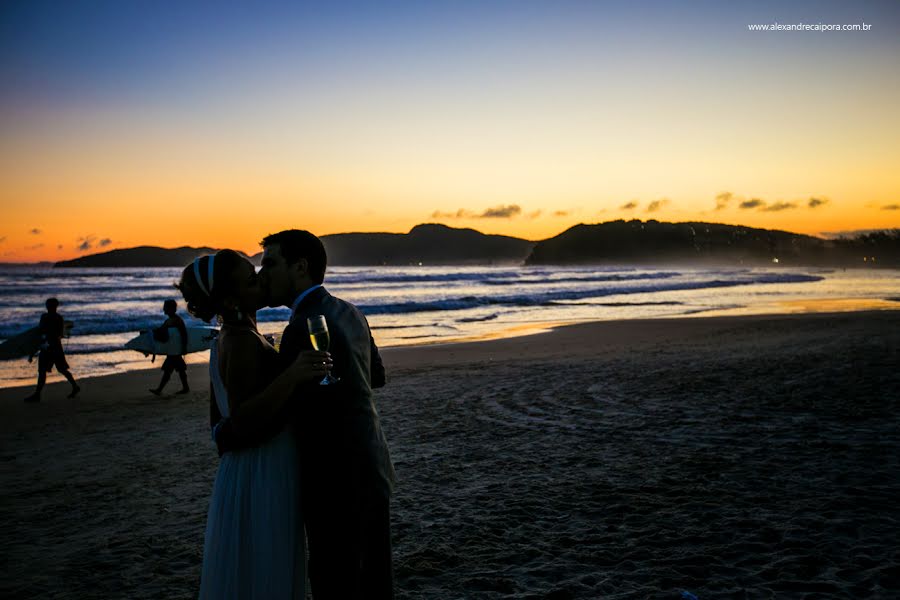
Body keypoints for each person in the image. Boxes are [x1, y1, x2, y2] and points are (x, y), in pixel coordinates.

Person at [216, 230, 395, 599]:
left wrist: (225, 432)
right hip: (373, 464)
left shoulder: (301, 328)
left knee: (336, 581)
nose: (263, 274)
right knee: (375, 580)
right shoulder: (350, 311)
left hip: (334, 478)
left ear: (299, 267)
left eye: (270, 263)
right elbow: (376, 376)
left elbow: (278, 409)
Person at [178, 250, 331, 599]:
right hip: (260, 468)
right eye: (251, 279)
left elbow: (220, 417)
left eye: (258, 271)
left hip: (254, 465)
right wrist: (292, 375)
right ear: (230, 298)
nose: (261, 279)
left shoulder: (236, 333)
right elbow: (243, 417)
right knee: (265, 571)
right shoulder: (241, 340)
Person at [24, 297, 79, 403]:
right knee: (62, 369)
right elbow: (60, 334)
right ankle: (75, 386)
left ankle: (37, 395)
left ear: (49, 306)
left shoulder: (44, 317)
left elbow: (40, 332)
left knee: (42, 371)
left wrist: (32, 352)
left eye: (47, 304)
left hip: (47, 347)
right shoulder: (59, 318)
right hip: (57, 347)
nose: (47, 306)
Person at [149, 299, 190, 396]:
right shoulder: (168, 321)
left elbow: (184, 334)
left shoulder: (177, 320)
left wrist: (184, 347)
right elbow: (161, 331)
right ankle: (185, 387)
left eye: (165, 307)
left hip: (176, 350)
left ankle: (160, 389)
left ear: (172, 309)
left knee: (170, 370)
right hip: (172, 350)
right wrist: (151, 333)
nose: (164, 309)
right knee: (178, 369)